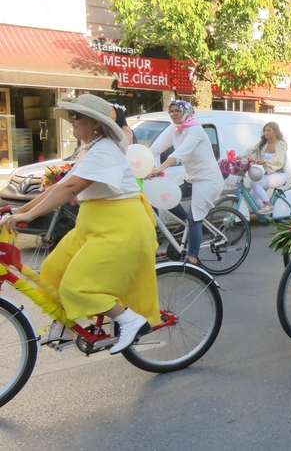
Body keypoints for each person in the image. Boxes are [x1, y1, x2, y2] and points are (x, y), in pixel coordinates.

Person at [0, 94, 159, 354]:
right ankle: (66, 325)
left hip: (121, 227)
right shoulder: (93, 149)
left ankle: (130, 320)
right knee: (52, 270)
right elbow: (60, 186)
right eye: (71, 116)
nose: (71, 121)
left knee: (77, 286)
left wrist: (27, 217)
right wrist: (21, 209)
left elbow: (71, 188)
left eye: (77, 116)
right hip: (94, 225)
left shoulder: (105, 150)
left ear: (95, 123)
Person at [148, 100, 223, 266]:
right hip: (190, 177)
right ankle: (187, 223)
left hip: (208, 179)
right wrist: (139, 162)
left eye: (177, 110)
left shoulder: (195, 130)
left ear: (187, 111)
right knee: (164, 195)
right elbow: (156, 148)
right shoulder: (175, 131)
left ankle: (193, 258)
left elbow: (179, 154)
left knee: (195, 218)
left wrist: (159, 168)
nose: (173, 114)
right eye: (171, 111)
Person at [242, 122, 288, 214]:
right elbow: (250, 151)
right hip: (268, 175)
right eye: (264, 131)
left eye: (268, 130)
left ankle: (268, 205)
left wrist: (265, 162)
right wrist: (236, 158)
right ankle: (270, 214)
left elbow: (279, 158)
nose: (266, 132)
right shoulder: (263, 144)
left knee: (254, 183)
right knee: (252, 197)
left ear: (275, 132)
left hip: (279, 175)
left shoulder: (281, 144)